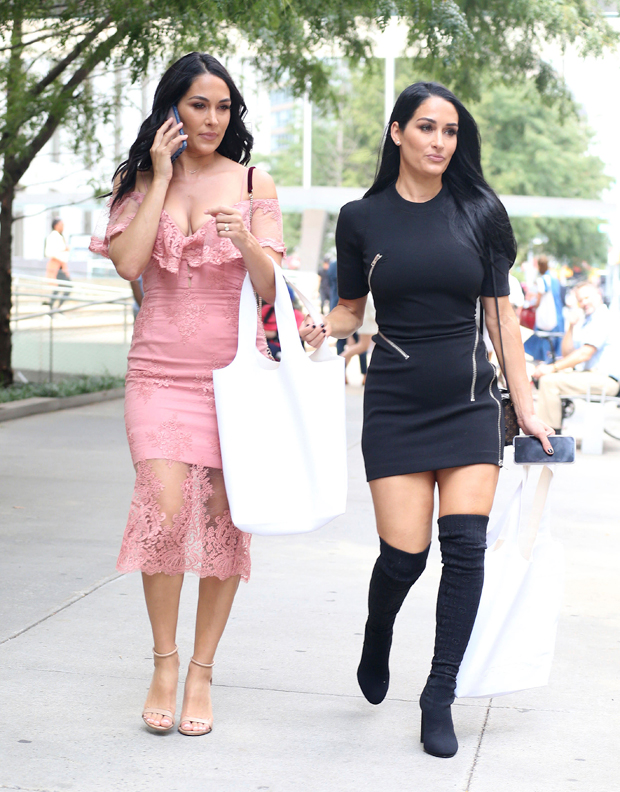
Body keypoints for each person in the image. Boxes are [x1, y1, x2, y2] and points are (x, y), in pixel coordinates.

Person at [300, 81, 553, 759]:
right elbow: (353, 307)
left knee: (464, 548)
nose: (439, 141)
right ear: (397, 133)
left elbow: (501, 317)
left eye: (449, 131)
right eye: (426, 128)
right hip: (396, 403)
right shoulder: (362, 218)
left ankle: (438, 693)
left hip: (471, 401)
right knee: (404, 558)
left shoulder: (480, 211)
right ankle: (378, 629)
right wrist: (323, 326)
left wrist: (525, 408)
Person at [89, 52, 284, 736]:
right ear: (173, 107)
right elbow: (130, 264)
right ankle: (164, 663)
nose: (212, 118)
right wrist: (162, 173)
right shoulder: (139, 180)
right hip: (158, 375)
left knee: (226, 520)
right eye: (199, 104)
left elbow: (271, 289)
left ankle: (202, 670)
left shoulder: (255, 180)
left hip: (233, 382)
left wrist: (246, 242)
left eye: (224, 107)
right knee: (165, 511)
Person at [532, 282, 620, 431]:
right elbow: (568, 353)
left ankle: (550, 436)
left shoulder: (603, 318)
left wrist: (551, 368)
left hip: (606, 379)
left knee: (549, 381)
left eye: (587, 297)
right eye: (580, 300)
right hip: (592, 376)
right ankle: (552, 430)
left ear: (598, 295)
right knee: (547, 378)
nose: (583, 302)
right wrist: (571, 326)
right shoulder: (589, 320)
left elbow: (585, 354)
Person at [523, 255, 564, 362]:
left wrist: (533, 305)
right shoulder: (554, 278)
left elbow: (539, 299)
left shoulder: (542, 280)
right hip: (557, 314)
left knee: (542, 338)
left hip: (546, 315)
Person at [44, 218, 71, 309]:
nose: (63, 227)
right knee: (65, 287)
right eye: (61, 225)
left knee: (60, 287)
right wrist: (64, 250)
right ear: (56, 225)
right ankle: (53, 308)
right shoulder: (53, 236)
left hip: (61, 265)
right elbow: (49, 252)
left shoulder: (60, 236)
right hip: (57, 265)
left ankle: (52, 307)